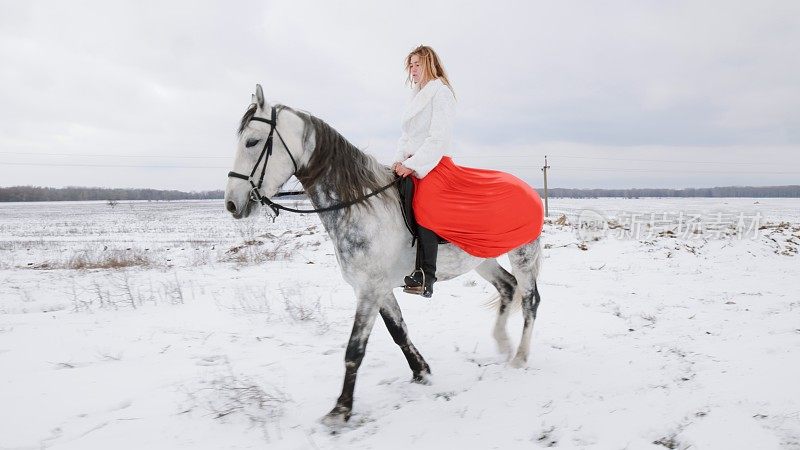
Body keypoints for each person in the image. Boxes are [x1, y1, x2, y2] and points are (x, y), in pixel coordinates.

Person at [392, 45, 456, 298]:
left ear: (429, 64)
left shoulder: (441, 93)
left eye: (417, 64)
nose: (413, 69)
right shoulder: (417, 95)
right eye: (410, 64)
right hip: (412, 162)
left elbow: (437, 138)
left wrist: (413, 164)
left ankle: (425, 276)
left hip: (433, 164)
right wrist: (398, 161)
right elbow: (406, 136)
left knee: (424, 205)